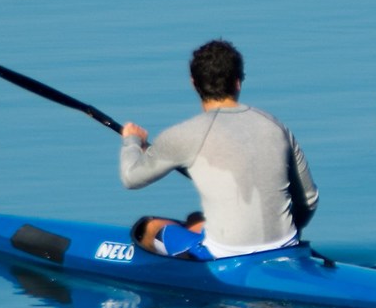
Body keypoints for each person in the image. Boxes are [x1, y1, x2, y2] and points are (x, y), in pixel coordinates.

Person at [120, 39, 318, 259]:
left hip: (226, 257)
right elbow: (308, 200)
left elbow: (131, 178)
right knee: (196, 219)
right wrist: (286, 236)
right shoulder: (276, 127)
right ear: (238, 83)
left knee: (147, 227)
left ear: (194, 83)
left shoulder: (183, 135)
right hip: (287, 246)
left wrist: (132, 141)